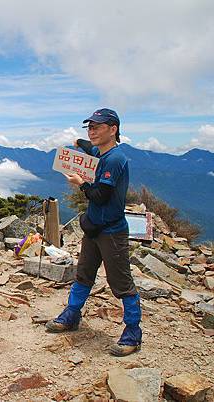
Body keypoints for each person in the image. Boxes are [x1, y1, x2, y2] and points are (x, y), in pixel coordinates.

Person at [46, 108, 142, 357]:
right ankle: (72, 315)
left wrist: (82, 183)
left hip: (112, 231)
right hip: (94, 229)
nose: (92, 131)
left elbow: (100, 196)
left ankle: (133, 332)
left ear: (113, 129)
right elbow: (91, 147)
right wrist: (79, 143)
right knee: (84, 274)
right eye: (89, 127)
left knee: (121, 284)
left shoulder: (114, 160)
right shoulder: (102, 151)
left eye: (97, 127)